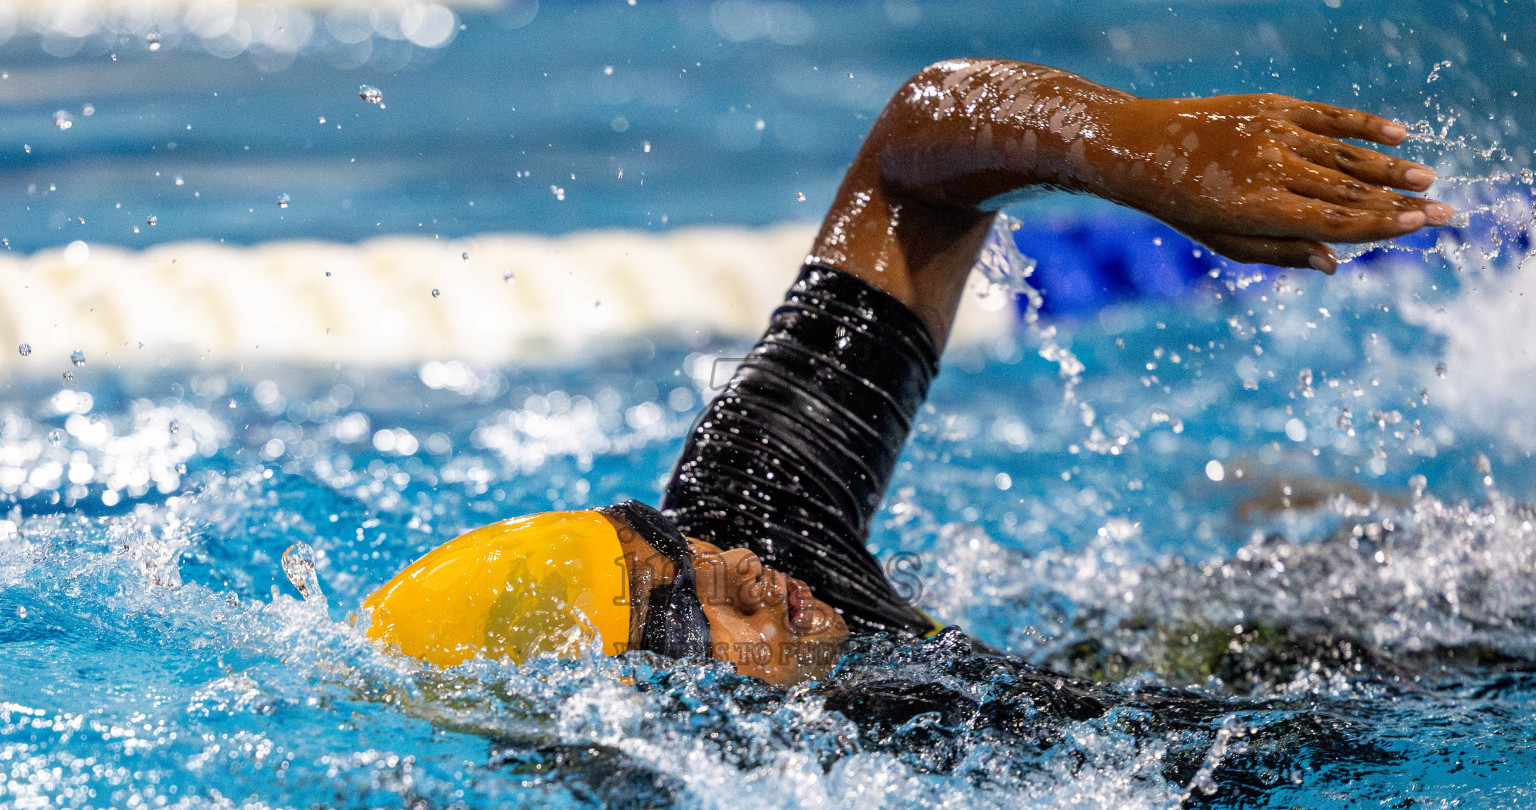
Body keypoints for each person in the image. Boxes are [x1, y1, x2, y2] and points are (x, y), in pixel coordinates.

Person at [362, 59, 1452, 690]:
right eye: (675, 603)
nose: (734, 563)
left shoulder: (751, 533)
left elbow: (913, 155)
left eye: (675, 542)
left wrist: (1143, 147)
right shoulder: (855, 799)